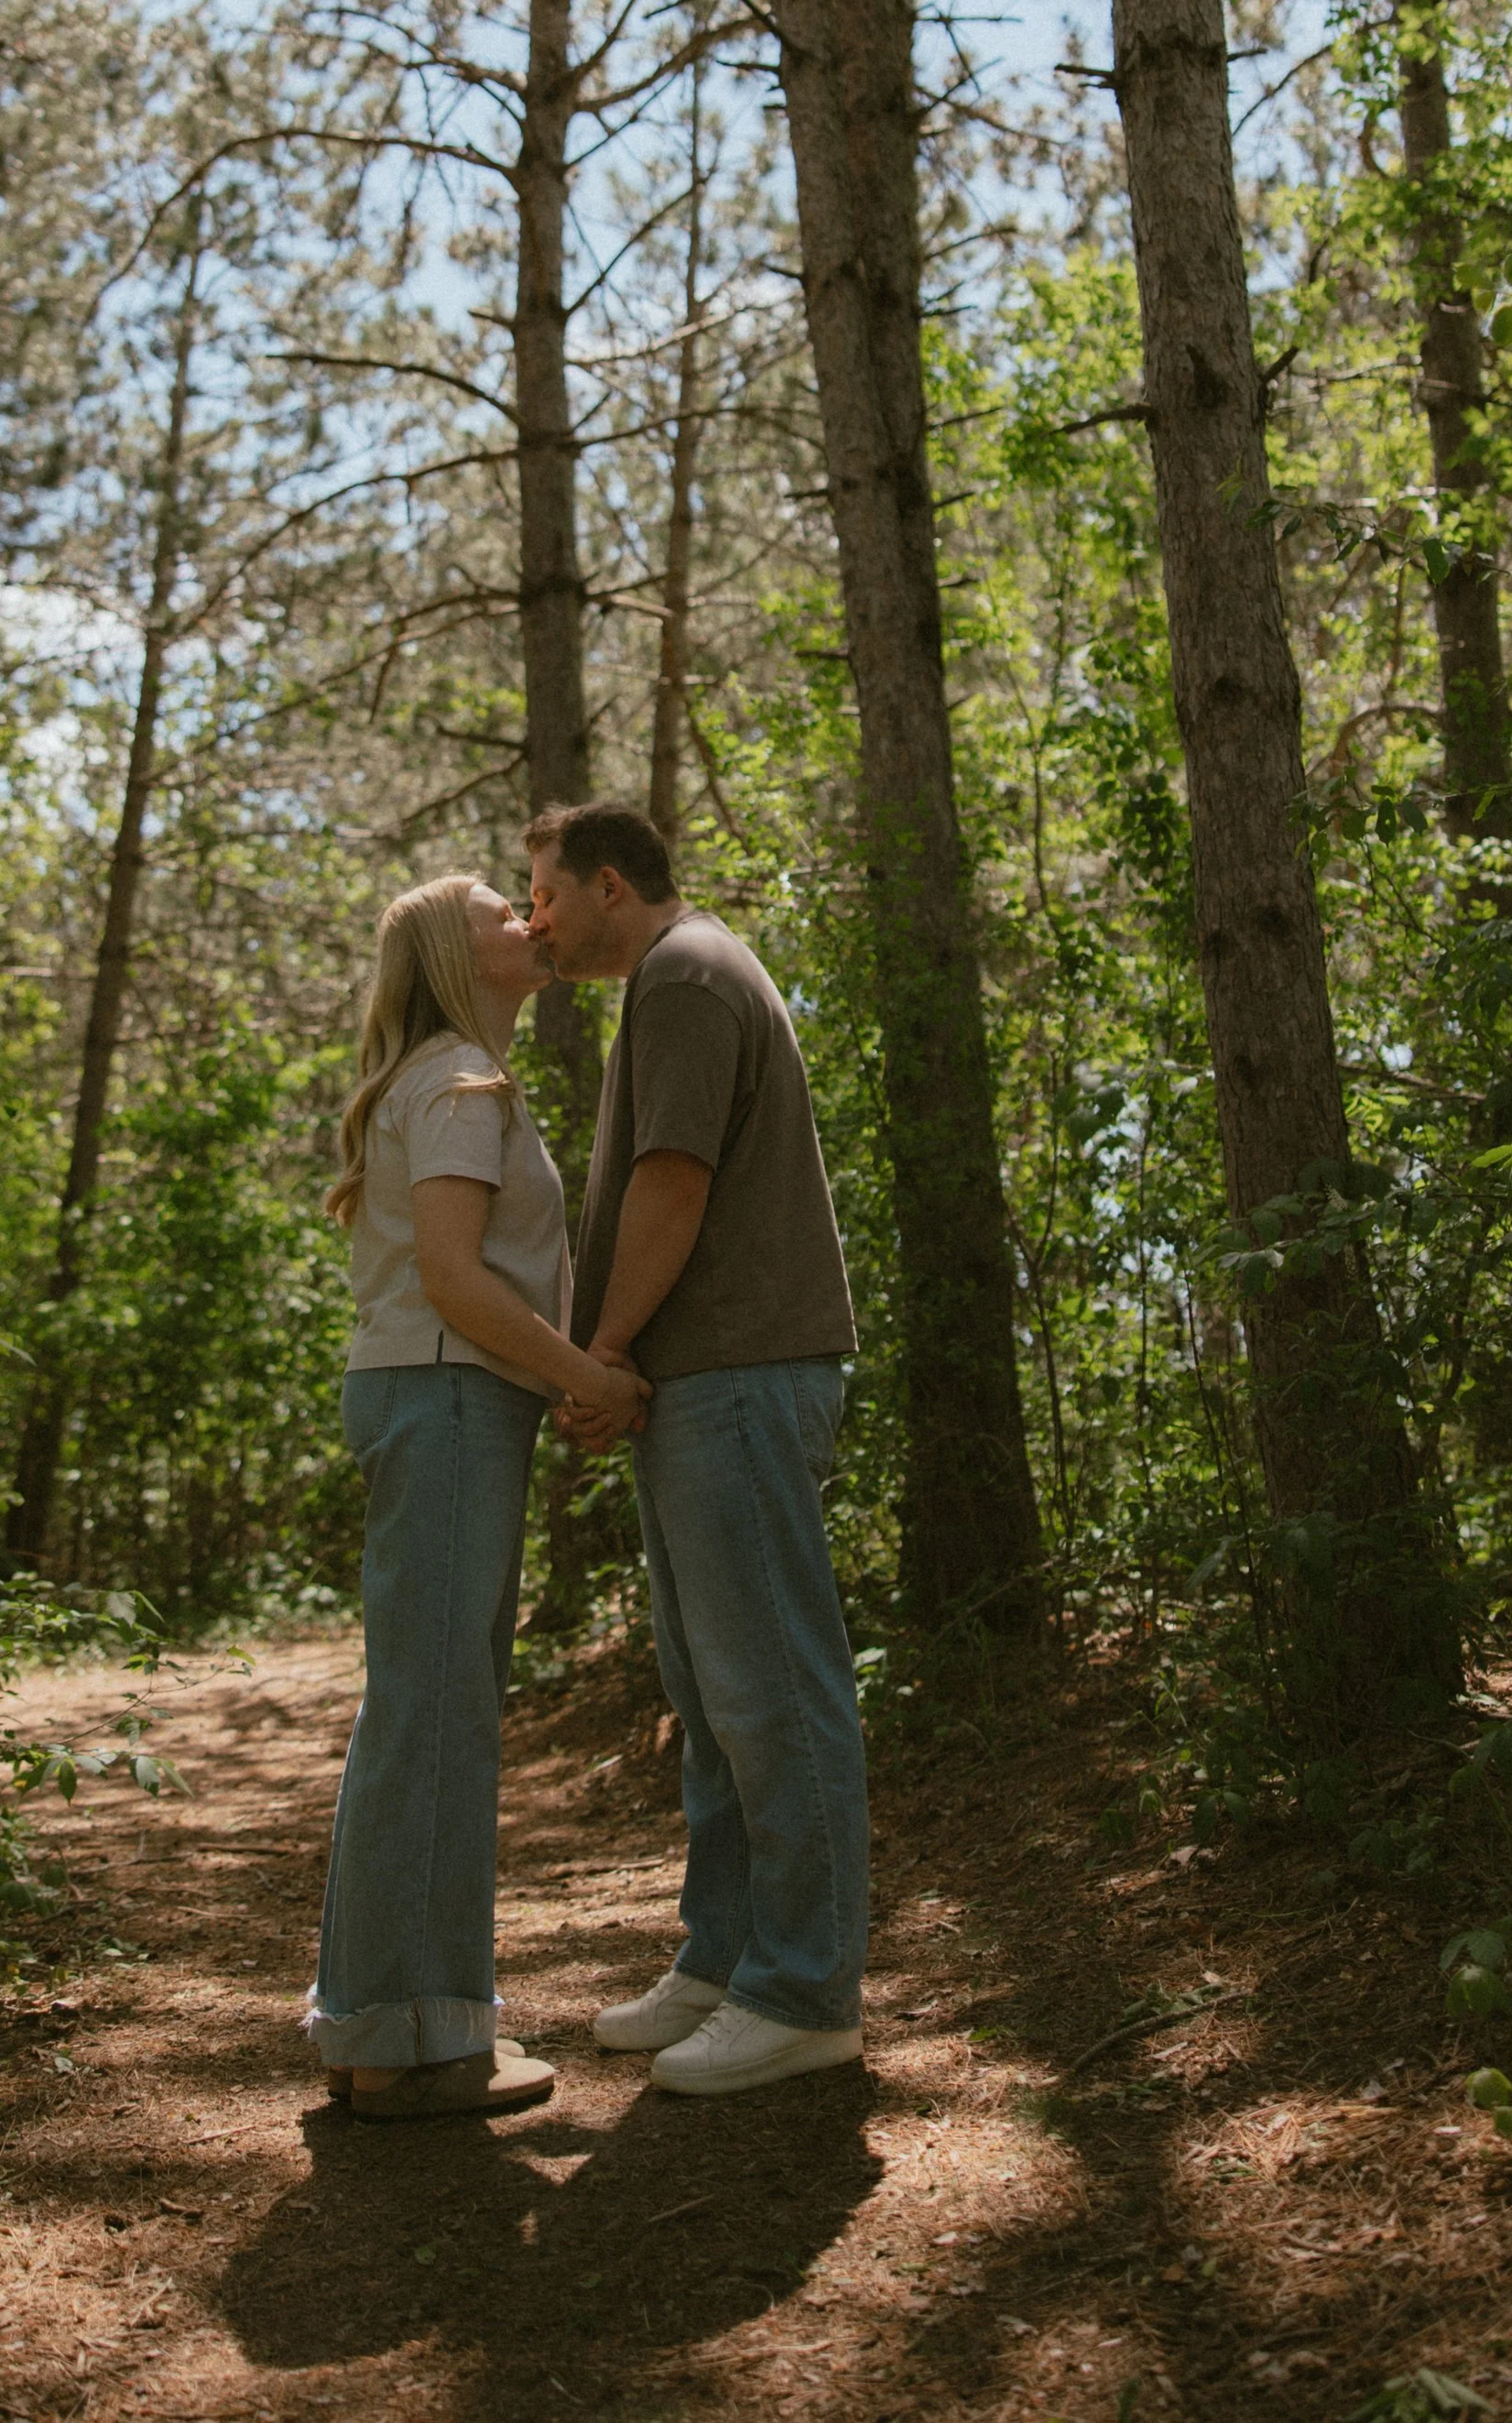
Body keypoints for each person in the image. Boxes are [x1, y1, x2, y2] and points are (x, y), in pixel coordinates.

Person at [524, 802, 869, 2099]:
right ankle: (725, 1959)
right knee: (716, 1695)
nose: (536, 920)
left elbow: (674, 1183)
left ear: (610, 882)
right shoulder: (676, 977)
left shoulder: (683, 974)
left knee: (772, 1686)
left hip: (732, 1378)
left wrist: (603, 1355)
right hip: (703, 1387)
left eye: (545, 893)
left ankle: (804, 1990)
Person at [308, 871, 649, 2123]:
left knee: (417, 1709)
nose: (535, 920)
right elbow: (454, 1277)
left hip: (441, 1399)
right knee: (440, 1712)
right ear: (459, 955)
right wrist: (588, 1376)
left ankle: (373, 2027)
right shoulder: (459, 1082)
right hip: (447, 1398)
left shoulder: (446, 1078)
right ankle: (420, 2037)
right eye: (509, 911)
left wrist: (548, 1377)